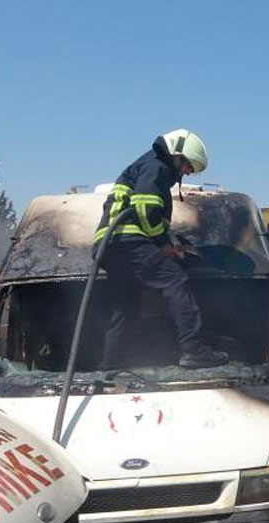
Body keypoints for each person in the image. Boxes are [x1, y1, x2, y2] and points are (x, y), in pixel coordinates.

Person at [94, 129, 228, 370]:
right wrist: (164, 245)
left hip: (112, 247)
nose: (187, 172)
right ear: (177, 155)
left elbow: (146, 213)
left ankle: (109, 365)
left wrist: (170, 240)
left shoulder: (145, 168)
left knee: (125, 304)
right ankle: (193, 350)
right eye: (188, 165)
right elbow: (146, 208)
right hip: (130, 242)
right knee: (176, 281)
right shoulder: (156, 167)